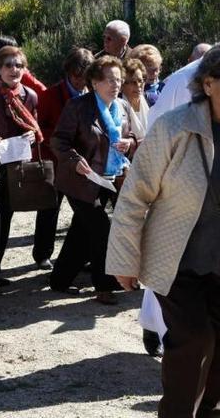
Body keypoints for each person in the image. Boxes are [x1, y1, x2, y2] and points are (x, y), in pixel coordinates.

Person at [107, 46, 220, 417]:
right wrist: (125, 259)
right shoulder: (175, 127)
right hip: (179, 261)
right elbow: (134, 196)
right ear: (208, 84)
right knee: (193, 341)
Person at [50, 56, 140, 304]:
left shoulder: (121, 106)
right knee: (101, 228)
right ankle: (104, 285)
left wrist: (129, 143)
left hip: (111, 178)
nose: (115, 85)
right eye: (110, 80)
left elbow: (129, 134)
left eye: (119, 80)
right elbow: (58, 141)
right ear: (95, 82)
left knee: (83, 229)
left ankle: (59, 280)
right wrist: (74, 160)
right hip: (80, 181)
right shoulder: (78, 107)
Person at [0, 46, 40, 291]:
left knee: (4, 220)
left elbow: (34, 127)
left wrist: (32, 135)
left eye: (18, 65)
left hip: (13, 166)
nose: (14, 70)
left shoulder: (30, 96)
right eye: (8, 65)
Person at [34, 48, 94, 270]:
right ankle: (42, 254)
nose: (80, 81)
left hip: (82, 163)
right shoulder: (50, 95)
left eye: (85, 76)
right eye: (76, 76)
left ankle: (82, 255)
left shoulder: (92, 94)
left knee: (84, 212)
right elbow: (40, 128)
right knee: (49, 208)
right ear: (68, 72)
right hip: (57, 160)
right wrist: (63, 141)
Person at [121, 58, 149, 139]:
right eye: (133, 82)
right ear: (122, 85)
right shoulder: (117, 107)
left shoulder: (152, 101)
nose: (138, 85)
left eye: (140, 80)